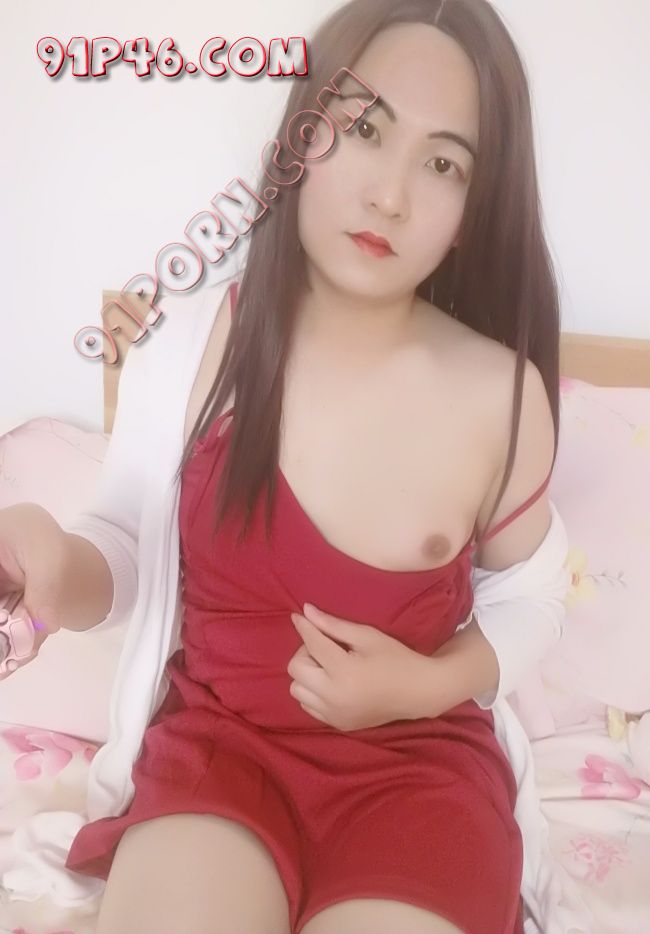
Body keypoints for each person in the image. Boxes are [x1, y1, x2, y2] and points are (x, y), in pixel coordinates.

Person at [0, 1, 565, 931]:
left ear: (474, 210)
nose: (389, 196)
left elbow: (533, 600)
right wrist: (56, 560)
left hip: (417, 776)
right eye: (364, 128)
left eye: (443, 164)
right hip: (219, 754)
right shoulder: (188, 337)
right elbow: (127, 548)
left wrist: (418, 686)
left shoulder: (500, 394)